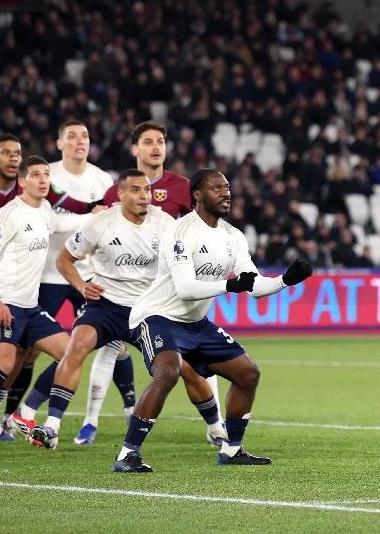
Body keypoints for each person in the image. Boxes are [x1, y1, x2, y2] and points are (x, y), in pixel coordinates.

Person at [113, 169, 314, 472]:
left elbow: (253, 284)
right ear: (197, 194)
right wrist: (228, 285)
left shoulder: (233, 236)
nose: (226, 193)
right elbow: (185, 288)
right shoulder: (181, 232)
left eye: (228, 187)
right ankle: (128, 454)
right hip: (157, 316)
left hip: (195, 323)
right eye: (217, 188)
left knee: (248, 374)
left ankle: (232, 450)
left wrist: (285, 280)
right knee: (168, 371)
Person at [27, 169, 223, 449]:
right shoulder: (101, 223)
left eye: (147, 190)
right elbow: (64, 259)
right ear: (120, 195)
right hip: (106, 307)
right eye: (136, 190)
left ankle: (216, 428)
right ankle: (52, 426)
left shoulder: (166, 224)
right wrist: (82, 286)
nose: (144, 196)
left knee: (187, 368)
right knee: (76, 346)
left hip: (148, 309)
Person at [0, 134, 95, 441]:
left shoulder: (44, 211)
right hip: (6, 303)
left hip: (30, 307)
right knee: (0, 365)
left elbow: (64, 225)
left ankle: (23, 411)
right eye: (35, 175)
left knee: (69, 352)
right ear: (22, 181)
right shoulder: (9, 213)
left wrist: (95, 215)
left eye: (46, 175)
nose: (42, 180)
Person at [78, 120, 195, 446]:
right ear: (135, 149)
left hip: (164, 292)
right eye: (148, 141)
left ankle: (216, 427)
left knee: (193, 352)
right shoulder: (114, 191)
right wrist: (89, 277)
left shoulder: (182, 186)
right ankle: (89, 423)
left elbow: (199, 227)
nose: (156, 147)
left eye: (160, 141)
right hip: (118, 293)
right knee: (108, 349)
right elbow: (95, 234)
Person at [5, 120, 113, 429]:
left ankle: (102, 416)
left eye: (85, 136)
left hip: (87, 276)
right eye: (72, 136)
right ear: (59, 143)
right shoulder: (46, 175)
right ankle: (3, 412)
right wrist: (87, 216)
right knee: (26, 351)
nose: (80, 141)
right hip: (49, 274)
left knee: (99, 343)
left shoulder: (102, 179)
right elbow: (56, 220)